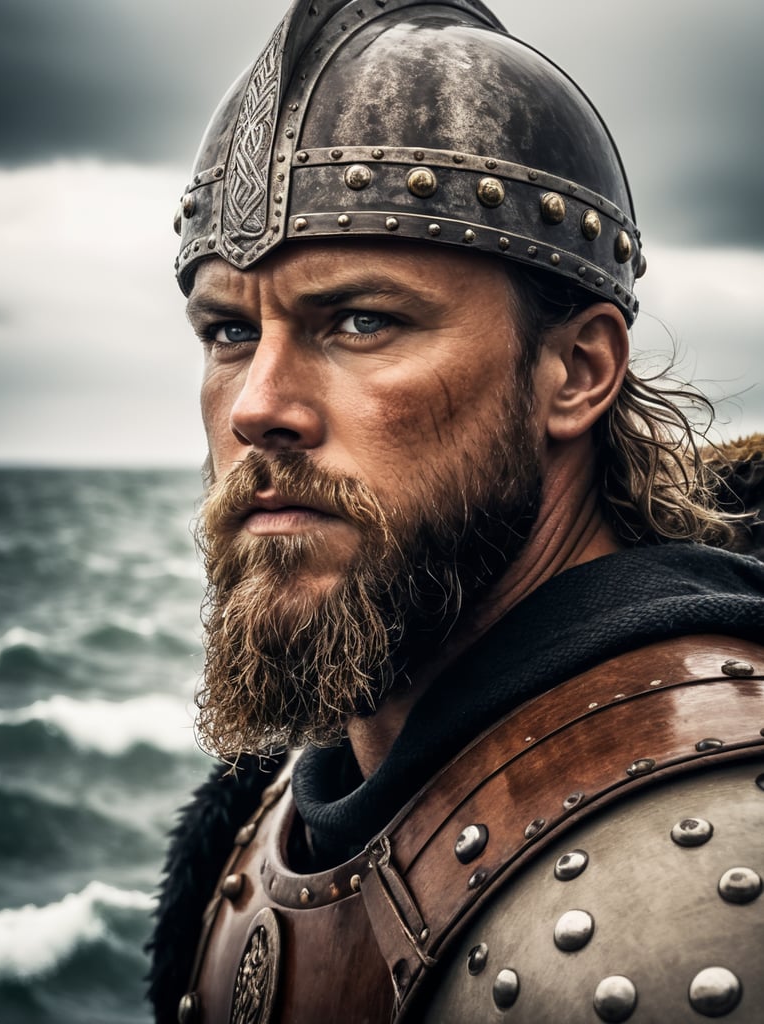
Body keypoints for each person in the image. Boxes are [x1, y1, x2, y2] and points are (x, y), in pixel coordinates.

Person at [148, 1, 764, 1020]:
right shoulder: (278, 824)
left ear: (575, 369)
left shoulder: (709, 866)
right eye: (226, 331)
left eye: (360, 319)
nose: (258, 405)